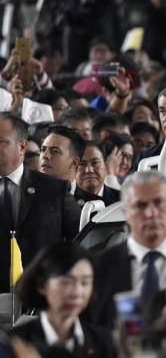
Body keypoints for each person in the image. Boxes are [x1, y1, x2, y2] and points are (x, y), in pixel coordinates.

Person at [87, 171, 166, 329]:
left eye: (159, 202)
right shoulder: (98, 269)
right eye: (140, 205)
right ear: (125, 212)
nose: (151, 213)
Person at [12, 242, 117, 358]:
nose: (77, 292)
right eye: (66, 282)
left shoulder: (104, 342)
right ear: (42, 285)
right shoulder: (18, 343)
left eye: (85, 282)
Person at [0, 113, 81, 293]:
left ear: (22, 147)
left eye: (1, 141)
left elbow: (81, 239)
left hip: (37, 297)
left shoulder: (53, 190)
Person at [39, 125, 98, 206]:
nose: (45, 156)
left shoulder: (93, 205)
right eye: (43, 149)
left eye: (55, 151)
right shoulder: (24, 197)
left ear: (74, 162)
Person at [76, 141, 121, 207]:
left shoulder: (121, 200)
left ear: (105, 167)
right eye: (82, 164)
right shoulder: (64, 202)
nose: (89, 170)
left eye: (95, 163)